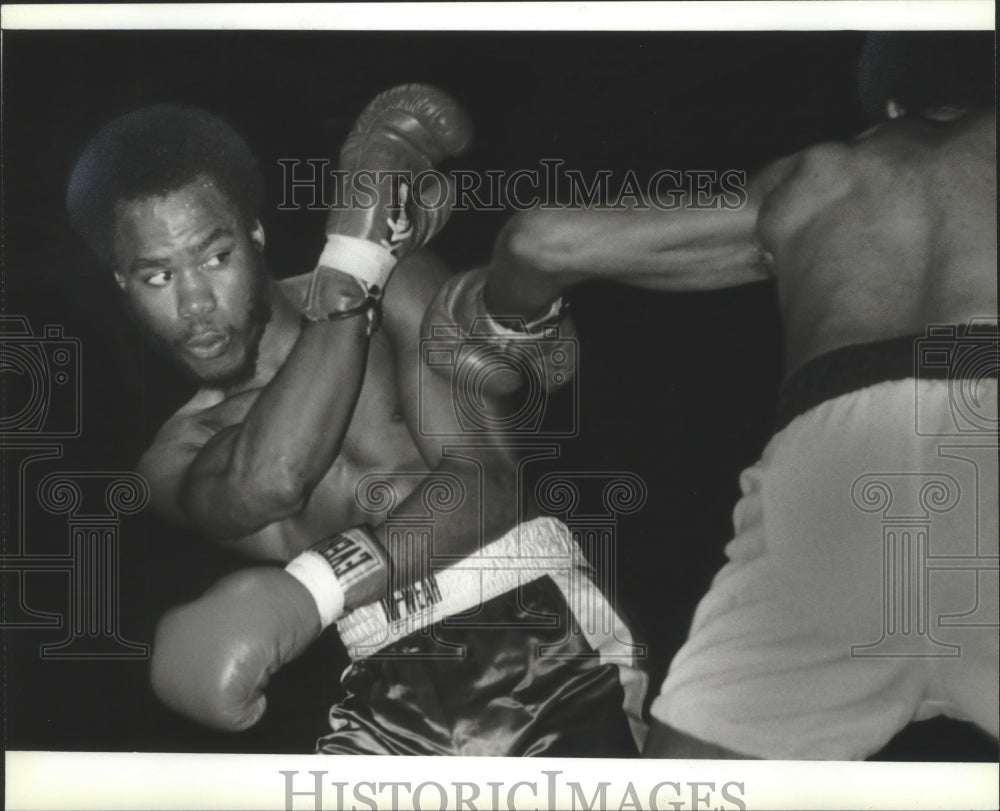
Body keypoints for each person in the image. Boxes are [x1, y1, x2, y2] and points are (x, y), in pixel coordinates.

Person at [434, 32, 997, 759]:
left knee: (694, 784)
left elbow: (540, 241)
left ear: (887, 108)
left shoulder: (816, 177)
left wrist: (513, 325)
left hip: (835, 461)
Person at [66, 88, 646, 756]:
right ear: (121, 282)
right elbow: (270, 481)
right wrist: (356, 265)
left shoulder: (400, 282)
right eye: (158, 275)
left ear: (255, 236)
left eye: (215, 256)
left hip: (527, 628)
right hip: (377, 675)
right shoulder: (170, 459)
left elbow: (486, 486)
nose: (195, 302)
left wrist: (314, 588)